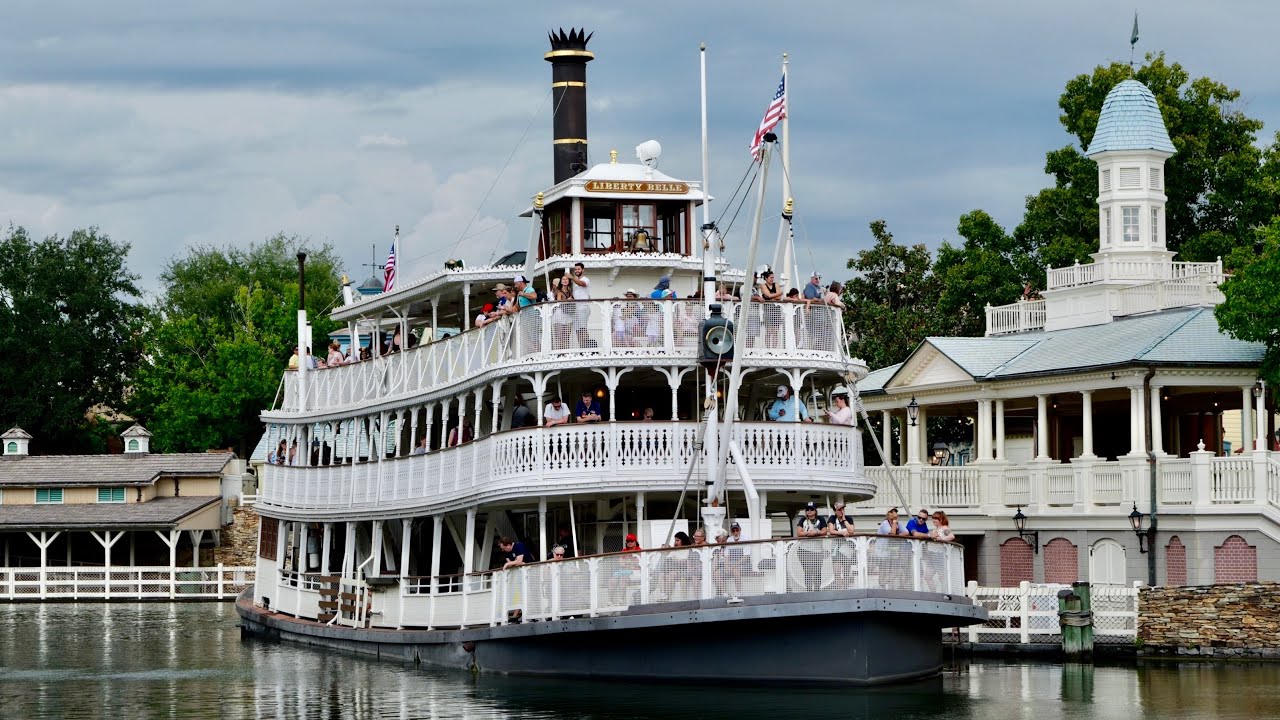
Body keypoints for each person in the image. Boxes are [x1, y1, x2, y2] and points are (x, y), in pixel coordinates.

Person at [794, 502, 827, 592]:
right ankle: (808, 591)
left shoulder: (821, 519)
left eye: (811, 509)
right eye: (807, 509)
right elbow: (799, 533)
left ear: (815, 511)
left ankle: (817, 591)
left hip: (818, 550)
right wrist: (808, 533)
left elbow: (824, 531)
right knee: (807, 571)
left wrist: (816, 532)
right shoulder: (803, 520)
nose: (809, 511)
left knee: (817, 571)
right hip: (804, 550)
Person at [827, 501, 856, 587]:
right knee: (837, 570)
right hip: (836, 548)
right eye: (839, 509)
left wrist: (844, 520)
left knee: (847, 569)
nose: (841, 511)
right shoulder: (832, 518)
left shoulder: (849, 518)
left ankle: (846, 588)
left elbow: (851, 530)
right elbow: (831, 530)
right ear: (835, 511)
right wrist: (842, 533)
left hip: (847, 548)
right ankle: (839, 587)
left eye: (842, 509)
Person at [566, 262, 592, 347]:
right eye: (575, 269)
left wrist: (571, 277)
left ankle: (586, 347)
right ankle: (582, 347)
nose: (577, 271)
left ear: (583, 270)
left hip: (583, 307)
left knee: (582, 329)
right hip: (576, 309)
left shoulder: (585, 279)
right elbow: (576, 295)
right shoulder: (575, 283)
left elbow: (582, 284)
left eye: (578, 269)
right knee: (578, 330)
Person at [758, 269, 784, 347]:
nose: (772, 279)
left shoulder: (776, 285)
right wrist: (779, 293)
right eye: (771, 277)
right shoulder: (763, 285)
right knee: (769, 330)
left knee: (776, 330)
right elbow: (769, 295)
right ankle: (768, 347)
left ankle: (774, 348)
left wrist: (774, 296)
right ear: (766, 278)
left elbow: (779, 297)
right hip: (768, 309)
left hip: (776, 309)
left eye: (773, 277)